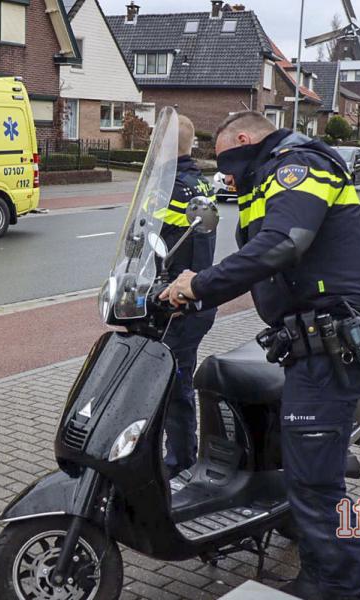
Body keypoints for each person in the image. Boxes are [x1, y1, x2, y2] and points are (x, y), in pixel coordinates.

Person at [160, 111, 360, 600]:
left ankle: (339, 585)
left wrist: (201, 284)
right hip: (308, 347)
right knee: (303, 474)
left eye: (224, 161)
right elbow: (258, 257)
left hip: (331, 350)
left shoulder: (299, 166)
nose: (223, 174)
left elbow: (282, 244)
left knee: (315, 483)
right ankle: (321, 569)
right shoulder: (265, 180)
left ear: (243, 140)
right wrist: (192, 291)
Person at [158, 114, 217, 480]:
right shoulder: (193, 183)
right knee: (169, 380)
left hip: (180, 301)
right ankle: (174, 452)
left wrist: (183, 298)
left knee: (175, 384)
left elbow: (191, 252)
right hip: (175, 296)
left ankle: (180, 460)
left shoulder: (181, 188)